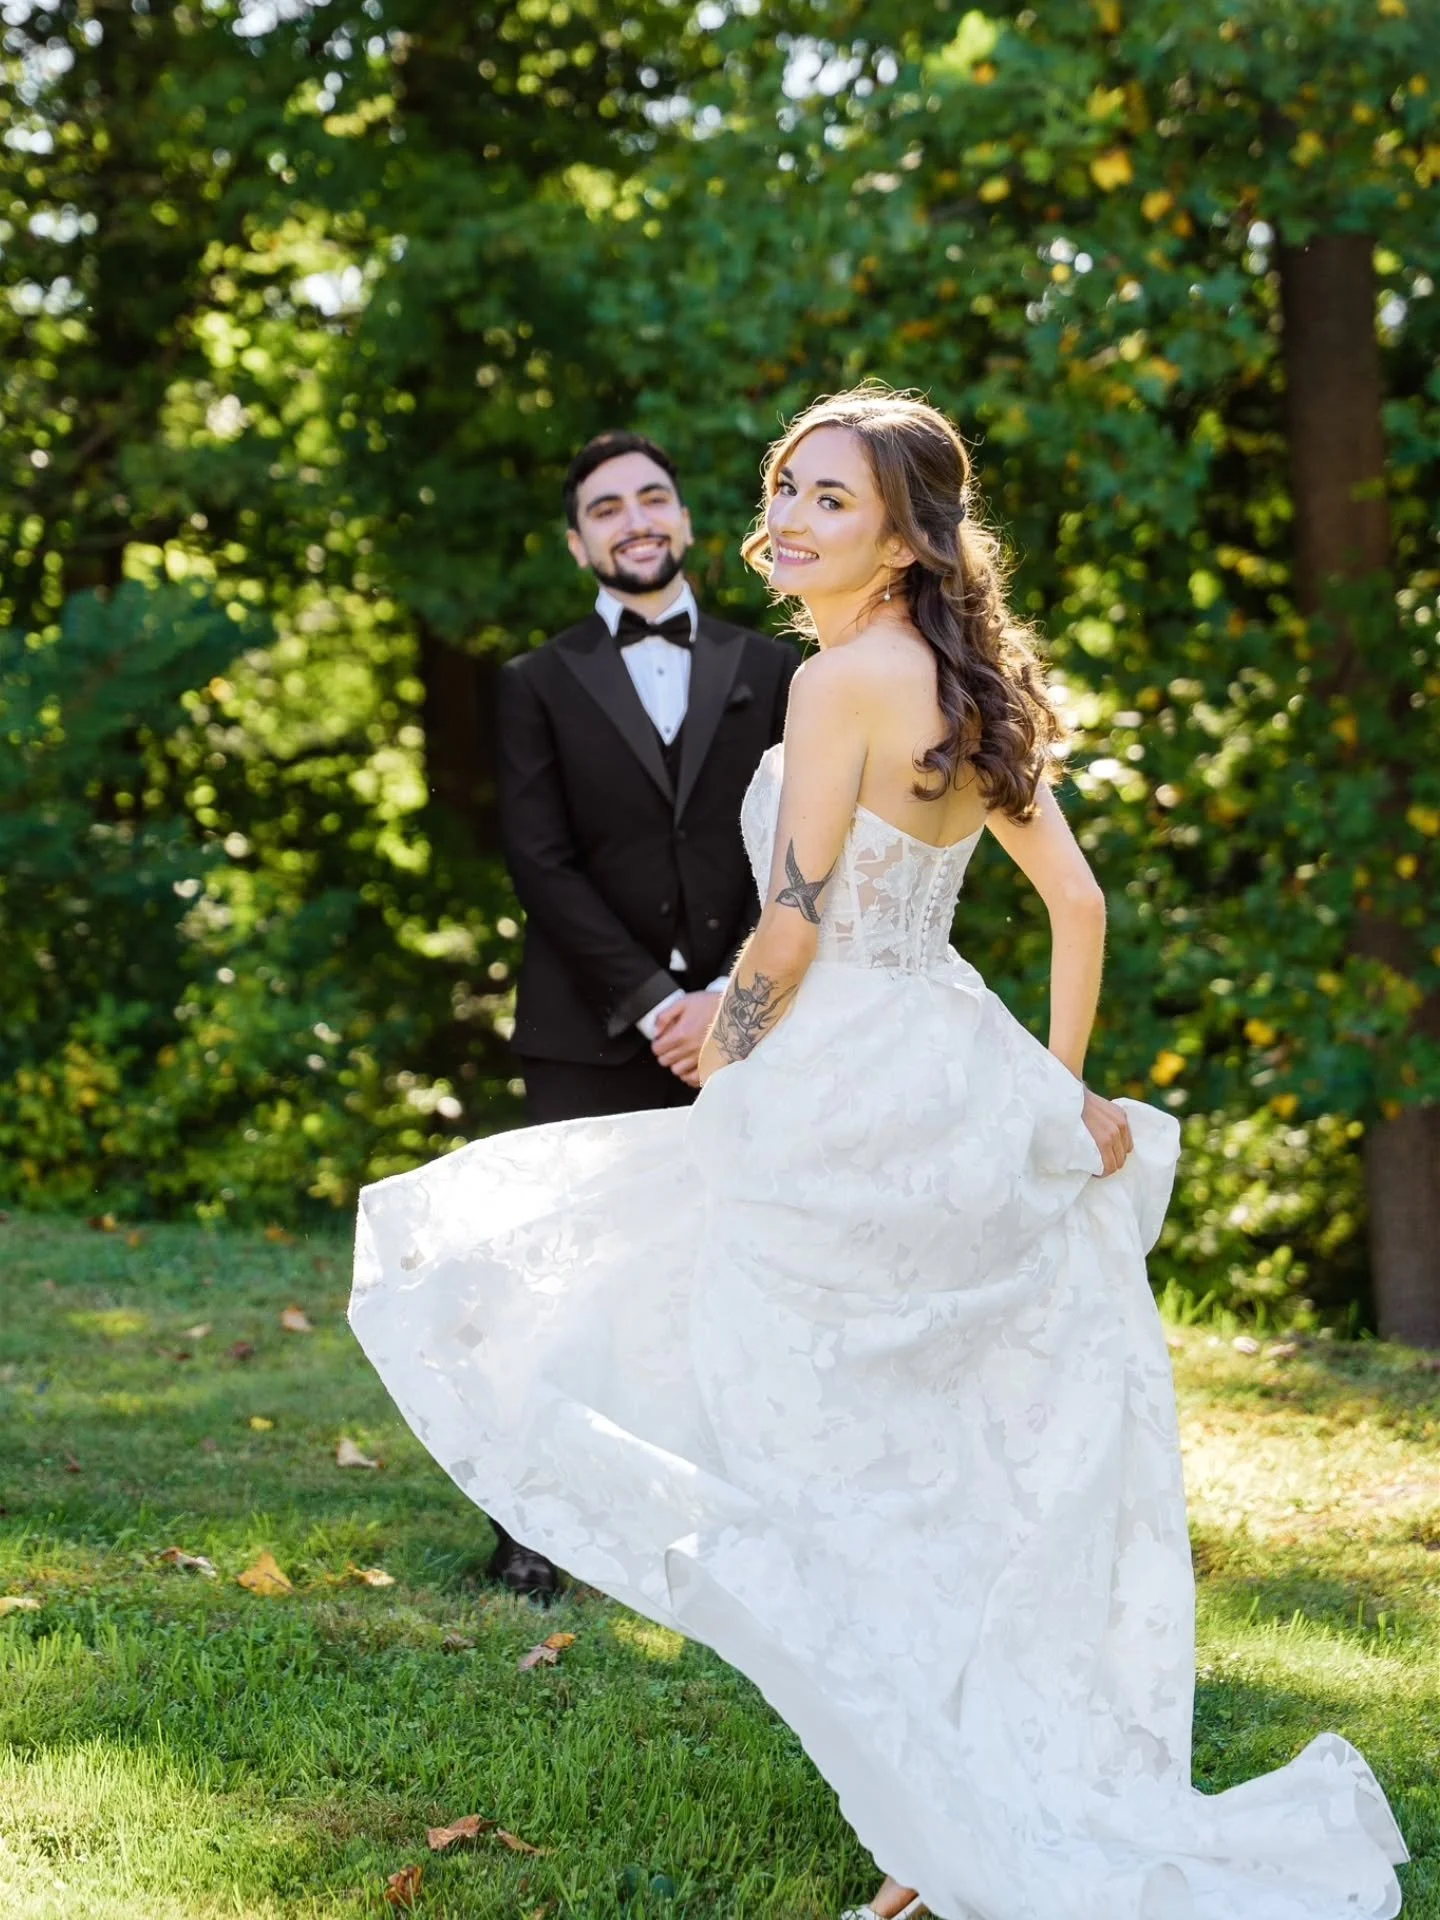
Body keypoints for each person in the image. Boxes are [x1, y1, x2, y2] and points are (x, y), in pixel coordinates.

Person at [351, 387, 1406, 1920]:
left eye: (825, 499)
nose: (783, 515)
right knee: (945, 1456)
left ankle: (939, 1803)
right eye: (782, 486)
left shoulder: (839, 678)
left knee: (803, 1442)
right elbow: (1080, 908)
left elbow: (792, 922)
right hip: (952, 1062)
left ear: (905, 536)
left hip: (842, 1075)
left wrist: (731, 1037)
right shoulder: (964, 684)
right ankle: (945, 1813)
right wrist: (1054, 1096)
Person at [485, 430, 797, 1594]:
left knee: (742, 1271)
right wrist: (657, 999)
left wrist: (728, 999)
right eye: (606, 509)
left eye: (651, 498)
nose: (633, 521)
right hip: (590, 1025)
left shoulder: (779, 672)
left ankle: (735, 1523)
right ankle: (538, 1526)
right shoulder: (535, 684)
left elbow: (804, 852)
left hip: (755, 1021)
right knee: (571, 1283)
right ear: (580, 543)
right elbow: (538, 860)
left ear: (687, 521)